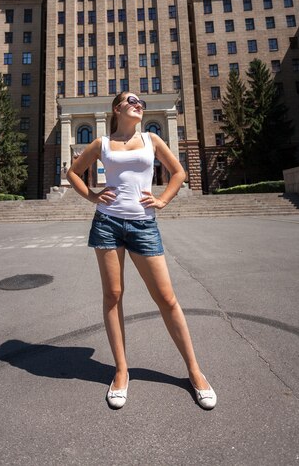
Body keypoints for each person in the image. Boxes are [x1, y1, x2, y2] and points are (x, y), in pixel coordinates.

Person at [66, 92, 216, 410]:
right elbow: (72, 173)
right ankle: (121, 372)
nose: (139, 105)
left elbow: (178, 173)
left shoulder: (151, 139)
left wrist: (162, 200)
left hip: (143, 226)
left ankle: (194, 371)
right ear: (117, 108)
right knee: (113, 296)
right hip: (107, 224)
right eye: (132, 101)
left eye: (142, 104)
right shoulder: (101, 144)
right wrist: (93, 197)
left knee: (166, 298)